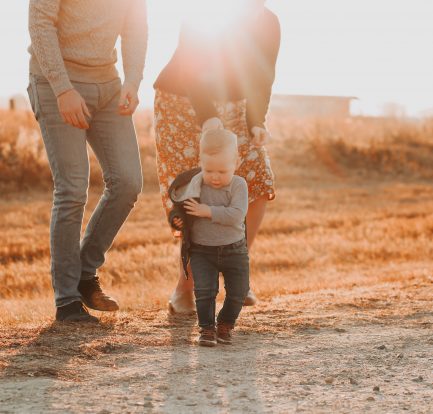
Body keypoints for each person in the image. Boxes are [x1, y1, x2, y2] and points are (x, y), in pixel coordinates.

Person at [153, 0, 280, 313]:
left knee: (257, 180)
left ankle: (237, 270)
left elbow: (263, 77)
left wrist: (256, 121)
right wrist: (208, 116)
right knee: (194, 190)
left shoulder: (269, 22)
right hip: (182, 102)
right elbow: (191, 68)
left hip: (236, 105)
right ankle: (186, 288)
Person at [27, 0, 148, 322]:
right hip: (57, 81)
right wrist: (62, 89)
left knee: (128, 182)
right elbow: (41, 25)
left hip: (108, 84)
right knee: (72, 189)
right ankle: (67, 301)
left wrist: (133, 81)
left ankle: (84, 273)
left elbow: (135, 27)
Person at [168, 129, 249, 346]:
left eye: (222, 171)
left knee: (239, 293)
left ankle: (225, 324)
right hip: (202, 251)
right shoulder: (194, 184)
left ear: (236, 162)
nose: (214, 176)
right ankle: (206, 329)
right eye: (208, 169)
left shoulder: (239, 185)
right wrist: (177, 220)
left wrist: (208, 211)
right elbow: (180, 209)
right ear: (200, 161)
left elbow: (237, 215)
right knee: (204, 292)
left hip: (235, 250)